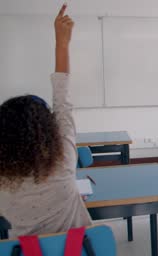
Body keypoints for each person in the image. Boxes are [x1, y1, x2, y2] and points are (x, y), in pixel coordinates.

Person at [0, 4, 92, 238]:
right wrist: (62, 43)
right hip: (78, 255)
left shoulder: (3, 185)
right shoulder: (64, 161)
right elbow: (63, 98)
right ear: (49, 129)